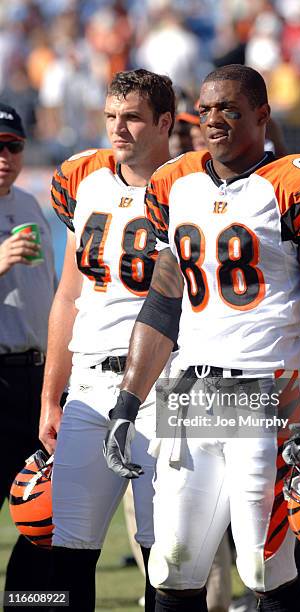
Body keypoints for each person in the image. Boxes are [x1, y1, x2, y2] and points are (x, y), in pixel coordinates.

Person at [103, 64, 300, 612]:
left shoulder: (296, 183)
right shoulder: (175, 182)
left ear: (263, 115)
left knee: (264, 565)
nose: (215, 119)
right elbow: (164, 303)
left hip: (270, 390)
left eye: (230, 109)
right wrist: (128, 400)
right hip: (190, 394)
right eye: (208, 109)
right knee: (172, 563)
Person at [39, 69, 175, 612]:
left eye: (133, 118)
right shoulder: (87, 182)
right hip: (90, 384)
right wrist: (52, 395)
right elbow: (68, 296)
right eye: (111, 116)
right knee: (67, 549)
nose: (118, 130)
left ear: (165, 122)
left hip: (162, 385)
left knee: (162, 552)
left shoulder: (187, 186)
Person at [0, 103, 56, 607]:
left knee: (43, 511)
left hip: (34, 380)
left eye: (13, 145)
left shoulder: (30, 204)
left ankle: (28, 605)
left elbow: (51, 292)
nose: (4, 155)